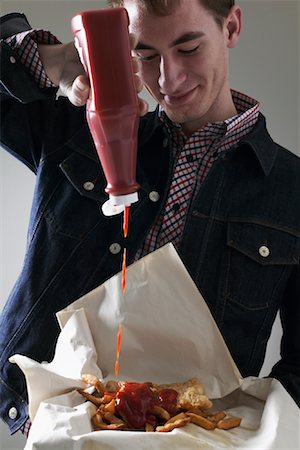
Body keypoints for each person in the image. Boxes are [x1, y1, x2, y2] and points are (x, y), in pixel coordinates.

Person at [1, 0, 300, 436]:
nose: (167, 78)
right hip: (56, 431)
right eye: (147, 56)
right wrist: (53, 61)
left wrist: (257, 435)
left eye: (189, 48)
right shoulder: (77, 127)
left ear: (231, 26)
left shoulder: (290, 189)